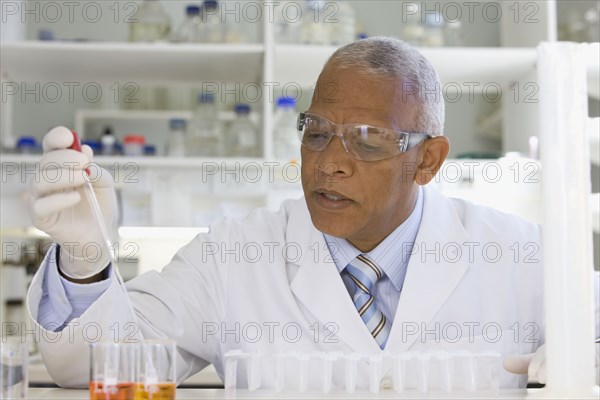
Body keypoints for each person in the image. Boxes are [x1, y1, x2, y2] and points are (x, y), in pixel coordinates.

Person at [26, 37, 598, 390]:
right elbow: (93, 368)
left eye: (369, 140)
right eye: (317, 133)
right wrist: (84, 256)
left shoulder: (524, 257)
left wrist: (584, 362)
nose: (330, 163)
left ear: (428, 159)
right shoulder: (232, 257)